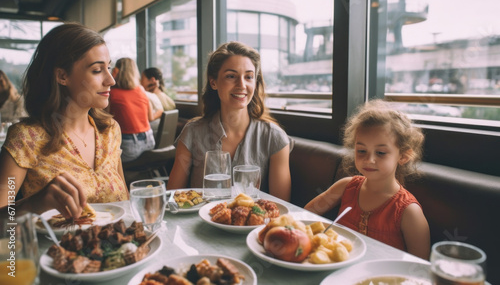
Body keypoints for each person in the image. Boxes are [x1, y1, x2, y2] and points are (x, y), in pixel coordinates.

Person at [0, 23, 128, 219]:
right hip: (55, 249)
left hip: (118, 247)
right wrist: (34, 203)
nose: (111, 80)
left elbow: (126, 208)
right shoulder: (25, 138)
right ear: (62, 76)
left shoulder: (110, 131)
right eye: (97, 70)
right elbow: (4, 217)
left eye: (108, 67)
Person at [166, 41, 293, 201]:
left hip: (255, 226)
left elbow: (280, 209)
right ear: (214, 82)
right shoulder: (193, 132)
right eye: (231, 76)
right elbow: (173, 199)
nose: (242, 85)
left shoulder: (274, 137)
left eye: (248, 77)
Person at [305, 99, 430, 259]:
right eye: (362, 150)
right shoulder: (345, 187)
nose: (369, 160)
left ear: (403, 156)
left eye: (381, 153)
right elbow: (305, 215)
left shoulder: (409, 212)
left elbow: (419, 267)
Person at [109, 58, 155, 163]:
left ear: (116, 71)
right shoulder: (141, 90)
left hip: (129, 146)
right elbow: (150, 117)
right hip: (149, 141)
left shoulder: (112, 93)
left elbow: (104, 120)